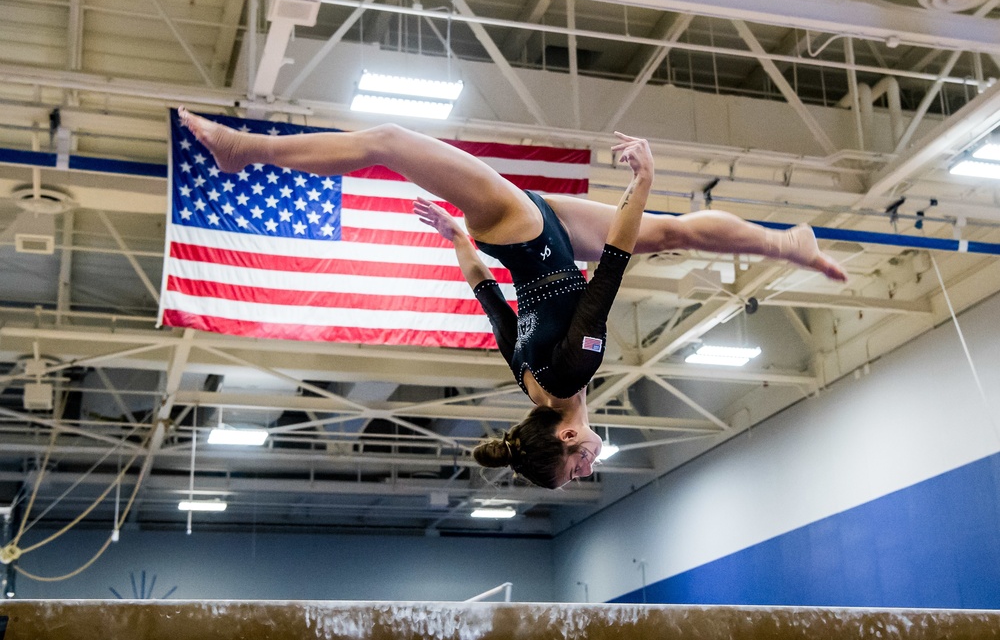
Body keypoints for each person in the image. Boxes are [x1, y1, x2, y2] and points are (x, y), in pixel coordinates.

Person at [177, 108, 846, 489]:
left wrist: (642, 182)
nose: (588, 467)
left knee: (388, 143)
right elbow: (492, 306)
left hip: (521, 228)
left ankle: (245, 149)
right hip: (535, 240)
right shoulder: (532, 387)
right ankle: (784, 245)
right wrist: (455, 242)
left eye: (576, 463)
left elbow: (609, 268)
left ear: (565, 435)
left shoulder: (569, 374)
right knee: (672, 234)